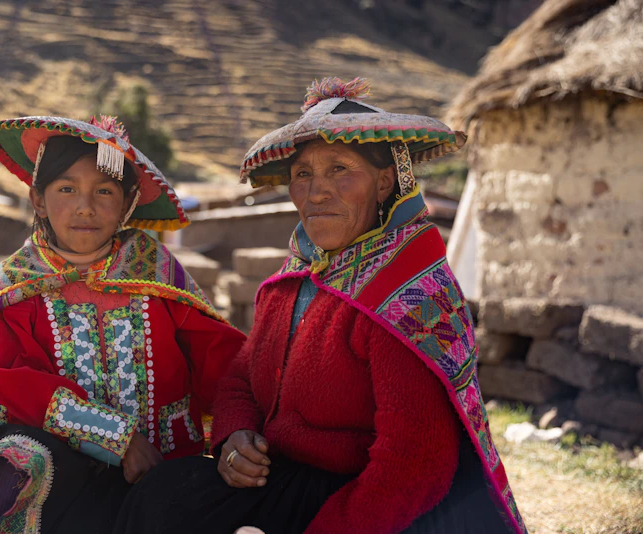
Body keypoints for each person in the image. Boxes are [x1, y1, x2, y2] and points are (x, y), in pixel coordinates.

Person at [113, 78, 527, 534]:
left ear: (385, 182)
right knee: (164, 496)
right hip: (287, 479)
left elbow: (414, 465)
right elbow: (241, 378)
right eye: (303, 174)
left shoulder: (409, 298)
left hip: (372, 502)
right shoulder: (293, 281)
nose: (316, 192)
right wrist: (235, 437)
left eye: (339, 169)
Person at [0, 115, 246, 534]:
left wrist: (238, 429)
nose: (86, 206)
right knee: (14, 461)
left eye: (104, 191)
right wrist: (118, 438)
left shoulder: (157, 274)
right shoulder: (18, 284)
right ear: (38, 199)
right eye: (67, 189)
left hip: (160, 473)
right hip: (60, 479)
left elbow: (223, 363)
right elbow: (16, 384)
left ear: (127, 203)